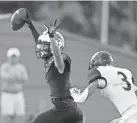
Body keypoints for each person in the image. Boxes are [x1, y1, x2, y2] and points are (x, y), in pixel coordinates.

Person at [23, 11, 83, 123]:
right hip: (66, 110)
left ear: (54, 46)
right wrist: (30, 25)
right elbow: (39, 41)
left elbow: (58, 59)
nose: (41, 48)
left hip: (66, 110)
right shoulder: (48, 59)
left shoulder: (62, 59)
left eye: (45, 46)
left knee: (36, 121)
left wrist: (51, 37)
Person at [70, 51, 137, 123]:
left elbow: (81, 99)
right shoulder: (126, 72)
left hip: (131, 116)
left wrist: (73, 94)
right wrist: (124, 118)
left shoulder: (102, 73)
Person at [0, 47, 28, 123]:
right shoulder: (4, 67)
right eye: (12, 57)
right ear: (8, 57)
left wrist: (14, 77)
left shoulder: (21, 67)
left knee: (20, 115)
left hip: (18, 94)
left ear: (18, 57)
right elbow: (5, 77)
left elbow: (25, 78)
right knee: (7, 116)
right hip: (7, 94)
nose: (13, 59)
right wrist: (17, 78)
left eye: (15, 57)